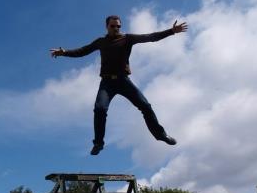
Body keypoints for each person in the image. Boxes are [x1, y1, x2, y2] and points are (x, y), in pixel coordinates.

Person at [50, 15, 188, 155]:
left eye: (118, 26)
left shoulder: (127, 39)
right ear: (107, 27)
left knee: (145, 106)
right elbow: (83, 51)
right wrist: (65, 52)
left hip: (123, 81)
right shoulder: (101, 42)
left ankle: (161, 135)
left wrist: (171, 31)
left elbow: (151, 37)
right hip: (107, 83)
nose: (116, 28)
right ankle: (98, 143)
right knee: (100, 109)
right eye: (113, 26)